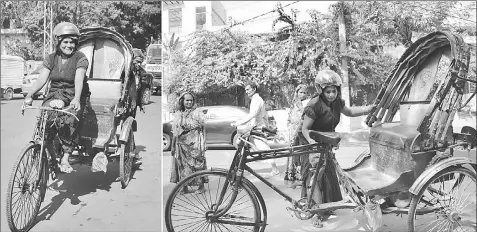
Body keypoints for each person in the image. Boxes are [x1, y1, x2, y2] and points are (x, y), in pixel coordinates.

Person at [298, 69, 374, 228]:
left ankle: (328, 206)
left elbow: (351, 112)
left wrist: (369, 108)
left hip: (326, 140)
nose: (331, 94)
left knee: (328, 172)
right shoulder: (314, 105)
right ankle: (315, 213)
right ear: (321, 90)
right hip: (310, 140)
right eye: (328, 91)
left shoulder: (337, 102)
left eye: (334, 91)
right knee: (316, 175)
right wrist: (312, 144)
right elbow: (305, 129)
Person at [24, 22, 89, 174]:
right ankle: (52, 159)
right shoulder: (51, 58)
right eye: (65, 42)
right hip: (54, 93)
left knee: (67, 119)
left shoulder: (81, 58)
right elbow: (42, 79)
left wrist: (76, 99)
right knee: (45, 121)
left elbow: (79, 79)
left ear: (76, 43)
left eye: (72, 42)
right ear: (58, 42)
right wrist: (29, 94)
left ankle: (66, 157)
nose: (69, 45)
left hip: (74, 94)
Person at [232, 82, 280, 177]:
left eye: (248, 89)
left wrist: (239, 123)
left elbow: (252, 114)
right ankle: (238, 168)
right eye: (245, 90)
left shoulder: (256, 100)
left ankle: (275, 169)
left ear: (254, 89)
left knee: (264, 149)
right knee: (243, 145)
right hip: (255, 127)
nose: (246, 92)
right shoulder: (255, 99)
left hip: (258, 129)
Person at [170, 92, 208, 194]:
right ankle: (184, 187)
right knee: (182, 165)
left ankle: (201, 186)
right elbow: (175, 131)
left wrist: (204, 141)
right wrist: (173, 146)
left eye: (191, 100)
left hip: (194, 142)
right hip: (181, 143)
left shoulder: (197, 112)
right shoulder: (178, 114)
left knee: (197, 164)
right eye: (187, 100)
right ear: (182, 101)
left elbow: (203, 127)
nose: (189, 102)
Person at [285, 84, 310, 186]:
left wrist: (301, 107)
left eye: (304, 93)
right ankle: (291, 173)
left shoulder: (306, 103)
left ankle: (302, 174)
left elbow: (306, 115)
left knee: (301, 151)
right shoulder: (293, 104)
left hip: (301, 130)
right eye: (300, 92)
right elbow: (290, 117)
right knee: (292, 151)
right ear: (297, 93)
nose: (302, 94)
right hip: (292, 130)